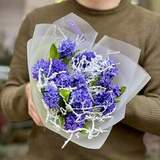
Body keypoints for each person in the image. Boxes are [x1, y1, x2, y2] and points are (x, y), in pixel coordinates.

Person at [1, 0, 160, 159]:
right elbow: (8, 103)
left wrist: (109, 100)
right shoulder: (37, 19)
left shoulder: (152, 26)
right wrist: (30, 92)